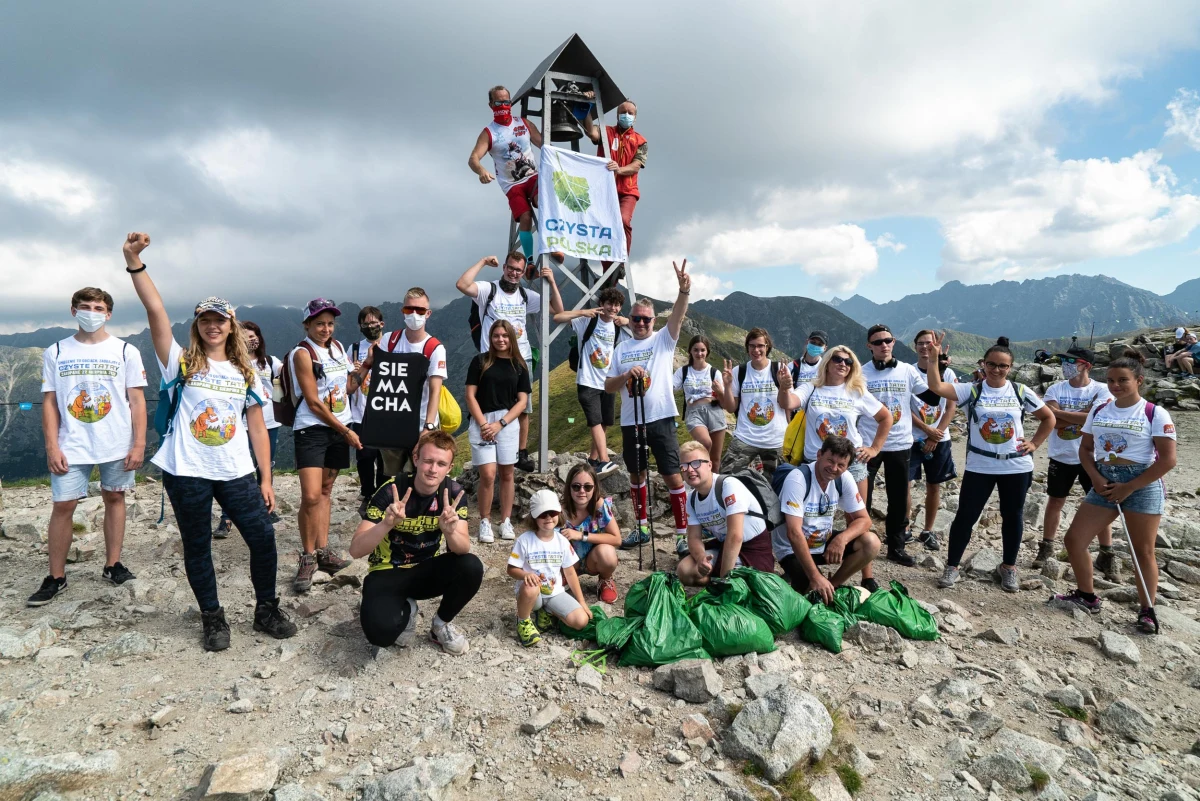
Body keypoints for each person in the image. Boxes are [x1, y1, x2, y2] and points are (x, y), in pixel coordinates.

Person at [121, 232, 295, 650]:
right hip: (185, 471)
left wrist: (266, 479)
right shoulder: (179, 361)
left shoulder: (246, 371)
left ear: (230, 326)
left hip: (236, 470)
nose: (213, 325)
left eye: (220, 320)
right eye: (205, 320)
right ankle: (213, 618)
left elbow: (257, 426)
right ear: (197, 326)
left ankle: (266, 608)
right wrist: (133, 261)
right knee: (197, 545)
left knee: (262, 537)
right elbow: (156, 310)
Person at [28, 286, 147, 606]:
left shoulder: (126, 352)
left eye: (98, 307)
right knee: (63, 505)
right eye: (85, 306)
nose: (91, 313)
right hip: (72, 443)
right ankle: (56, 576)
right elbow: (50, 402)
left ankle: (113, 564)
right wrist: (52, 446)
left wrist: (139, 444)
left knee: (115, 497)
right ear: (73, 310)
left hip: (116, 442)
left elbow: (137, 401)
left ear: (108, 314)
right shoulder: (55, 351)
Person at [1053, 350, 1177, 633]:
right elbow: (1086, 449)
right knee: (1075, 540)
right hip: (1105, 480)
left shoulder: (1155, 413)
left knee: (1143, 551)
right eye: (1110, 380)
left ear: (1139, 381)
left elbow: (1168, 459)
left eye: (1123, 380)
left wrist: (1130, 487)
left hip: (1142, 483)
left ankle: (1147, 610)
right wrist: (1095, 478)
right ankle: (1087, 595)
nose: (1115, 385)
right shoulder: (1099, 410)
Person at [924, 334, 1055, 592]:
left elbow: (1048, 418)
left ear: (1010, 368)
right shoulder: (972, 390)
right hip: (980, 466)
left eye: (1002, 366)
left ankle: (1009, 568)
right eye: (992, 364)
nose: (996, 370)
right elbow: (937, 388)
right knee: (965, 516)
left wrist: (1034, 444)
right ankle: (952, 567)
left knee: (1013, 517)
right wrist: (933, 360)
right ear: (983, 364)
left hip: (1016, 466)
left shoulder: (1020, 391)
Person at [351, 430, 479, 654]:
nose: (433, 469)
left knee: (471, 566)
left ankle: (440, 625)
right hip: (387, 571)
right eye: (428, 461)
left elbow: (463, 549)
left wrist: (449, 532)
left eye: (441, 464)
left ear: (449, 468)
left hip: (424, 571)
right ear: (416, 459)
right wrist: (386, 524)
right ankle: (407, 609)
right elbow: (355, 550)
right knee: (380, 635)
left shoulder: (454, 494)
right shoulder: (391, 491)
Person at [776, 345, 893, 589]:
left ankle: (864, 576)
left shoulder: (856, 392)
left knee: (857, 517)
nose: (843, 364)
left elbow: (886, 417)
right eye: (838, 359)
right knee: (807, 516)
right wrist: (786, 386)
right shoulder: (812, 387)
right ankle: (802, 565)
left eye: (848, 362)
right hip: (814, 461)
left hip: (851, 464)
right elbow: (789, 402)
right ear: (827, 362)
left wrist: (874, 449)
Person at [604, 261, 692, 551]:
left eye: (647, 319)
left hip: (661, 417)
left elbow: (678, 318)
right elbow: (607, 386)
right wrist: (626, 375)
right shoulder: (621, 349)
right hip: (631, 420)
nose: (641, 323)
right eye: (636, 319)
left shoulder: (663, 340)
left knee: (671, 473)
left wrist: (683, 291)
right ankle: (641, 528)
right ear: (629, 320)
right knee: (636, 473)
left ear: (654, 321)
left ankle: (682, 533)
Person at [456, 253, 564, 472]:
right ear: (504, 267)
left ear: (523, 273)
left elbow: (557, 310)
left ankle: (520, 452)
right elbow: (462, 284)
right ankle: (488, 451)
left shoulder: (526, 295)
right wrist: (483, 262)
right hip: (490, 360)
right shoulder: (489, 290)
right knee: (488, 406)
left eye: (519, 271)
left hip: (520, 359)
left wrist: (552, 281)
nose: (514, 274)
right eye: (511, 268)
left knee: (522, 407)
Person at [857, 324, 944, 568]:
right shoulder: (861, 373)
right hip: (869, 444)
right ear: (869, 346)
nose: (883, 345)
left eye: (887, 340)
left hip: (899, 443)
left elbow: (933, 398)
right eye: (877, 342)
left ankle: (896, 547)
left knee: (898, 498)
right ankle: (861, 544)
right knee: (863, 497)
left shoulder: (907, 370)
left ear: (894, 342)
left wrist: (935, 362)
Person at [290, 299, 358, 593]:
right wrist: (346, 431)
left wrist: (364, 368)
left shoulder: (338, 348)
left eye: (330, 323)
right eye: (319, 323)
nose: (325, 329)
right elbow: (314, 403)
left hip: (339, 426)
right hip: (313, 429)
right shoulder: (302, 354)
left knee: (327, 491)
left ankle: (323, 550)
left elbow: (345, 388)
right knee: (311, 494)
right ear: (307, 325)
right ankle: (307, 556)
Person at [1033, 345, 1117, 576]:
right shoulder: (1055, 388)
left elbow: (1096, 419)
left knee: (1102, 504)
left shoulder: (1102, 389)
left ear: (1086, 365)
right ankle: (1047, 547)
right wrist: (1084, 416)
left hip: (1094, 457)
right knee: (1055, 501)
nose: (1065, 366)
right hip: (1062, 456)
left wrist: (1060, 414)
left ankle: (1106, 554)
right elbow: (1052, 421)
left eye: (1071, 362)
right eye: (1064, 361)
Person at [348, 289, 448, 478]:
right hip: (393, 425)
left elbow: (436, 390)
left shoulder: (434, 348)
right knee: (392, 479)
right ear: (403, 311)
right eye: (410, 309)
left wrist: (428, 428)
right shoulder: (389, 341)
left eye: (420, 310)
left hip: (420, 426)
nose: (414, 314)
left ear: (428, 313)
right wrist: (368, 363)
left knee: (421, 478)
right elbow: (375, 378)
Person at [773, 436, 879, 600]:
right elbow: (793, 533)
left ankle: (832, 585)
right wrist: (815, 577)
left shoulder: (844, 478)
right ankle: (812, 582)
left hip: (823, 542)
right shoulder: (798, 479)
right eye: (830, 461)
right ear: (819, 455)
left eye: (841, 465)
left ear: (847, 467)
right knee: (813, 596)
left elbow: (864, 520)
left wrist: (842, 539)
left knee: (871, 542)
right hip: (792, 549)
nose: (834, 468)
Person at [467, 86, 562, 267]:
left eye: (506, 102)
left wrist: (562, 160)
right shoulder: (489, 132)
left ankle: (554, 244)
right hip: (511, 185)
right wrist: (481, 171)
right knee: (525, 217)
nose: (503, 105)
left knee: (543, 200)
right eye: (498, 102)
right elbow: (473, 158)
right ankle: (530, 262)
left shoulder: (523, 124)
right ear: (491, 105)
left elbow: (544, 145)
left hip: (532, 176)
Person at [466, 320, 531, 543]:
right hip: (482, 420)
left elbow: (522, 401)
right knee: (487, 474)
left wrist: (500, 424)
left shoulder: (519, 366)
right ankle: (484, 520)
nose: (500, 339)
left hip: (507, 422)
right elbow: (470, 395)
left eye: (504, 335)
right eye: (496, 335)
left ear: (511, 338)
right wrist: (485, 424)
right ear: (490, 337)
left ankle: (505, 520)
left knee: (507, 473)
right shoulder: (480, 361)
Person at [216, 321, 283, 536]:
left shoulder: (271, 362)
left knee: (265, 466)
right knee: (235, 470)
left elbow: (290, 375)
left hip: (269, 421)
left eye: (254, 335)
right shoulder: (231, 364)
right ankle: (227, 517)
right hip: (239, 425)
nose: (251, 340)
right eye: (246, 337)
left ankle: (265, 508)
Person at [676, 442, 776, 587]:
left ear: (709, 465)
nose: (690, 470)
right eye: (684, 466)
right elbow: (694, 537)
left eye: (696, 463)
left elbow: (736, 536)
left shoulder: (728, 485)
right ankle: (717, 580)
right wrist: (701, 558)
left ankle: (722, 580)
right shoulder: (691, 499)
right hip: (724, 545)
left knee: (743, 584)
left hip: (753, 547)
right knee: (684, 571)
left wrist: (724, 578)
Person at [553, 286, 628, 477]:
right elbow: (558, 317)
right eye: (610, 303)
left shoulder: (618, 326)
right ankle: (605, 460)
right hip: (587, 380)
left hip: (608, 381)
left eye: (617, 305)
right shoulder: (587, 321)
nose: (613, 308)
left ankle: (593, 459)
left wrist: (627, 320)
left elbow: (642, 330)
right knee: (595, 421)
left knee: (605, 422)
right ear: (601, 304)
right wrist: (583, 312)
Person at [508, 488, 592, 647]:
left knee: (581, 621)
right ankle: (523, 620)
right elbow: (511, 569)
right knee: (531, 588)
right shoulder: (524, 540)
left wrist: (582, 601)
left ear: (559, 513)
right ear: (533, 516)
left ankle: (546, 612)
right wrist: (525, 575)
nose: (548, 518)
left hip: (554, 592)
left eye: (552, 513)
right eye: (542, 514)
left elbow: (570, 572)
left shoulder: (562, 541)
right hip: (532, 592)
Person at [583, 99, 646, 277]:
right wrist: (587, 107)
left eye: (630, 113)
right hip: (605, 190)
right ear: (617, 115)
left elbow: (636, 165)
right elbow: (592, 133)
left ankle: (621, 262)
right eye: (623, 112)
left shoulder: (640, 140)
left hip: (627, 191)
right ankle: (608, 273)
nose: (626, 115)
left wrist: (619, 169)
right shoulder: (606, 131)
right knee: (605, 228)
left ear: (635, 117)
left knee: (623, 221)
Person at [908, 331, 958, 550]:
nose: (925, 347)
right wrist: (926, 429)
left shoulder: (947, 373)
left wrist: (936, 434)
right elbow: (901, 406)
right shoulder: (908, 371)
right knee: (905, 485)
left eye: (929, 343)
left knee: (934, 486)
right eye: (921, 343)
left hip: (940, 437)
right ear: (915, 346)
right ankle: (905, 529)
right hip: (911, 436)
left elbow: (950, 407)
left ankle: (928, 530)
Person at [719, 327, 786, 478]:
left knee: (778, 483)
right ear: (747, 347)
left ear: (767, 347)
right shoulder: (739, 371)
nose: (756, 350)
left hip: (775, 440)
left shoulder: (779, 370)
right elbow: (730, 408)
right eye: (752, 346)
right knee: (727, 476)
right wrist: (728, 386)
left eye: (760, 346)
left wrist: (783, 386)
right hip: (745, 437)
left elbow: (785, 404)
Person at [558, 462, 622, 604]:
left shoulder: (599, 505)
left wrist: (581, 535)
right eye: (576, 486)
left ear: (595, 488)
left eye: (587, 487)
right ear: (569, 488)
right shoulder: (558, 510)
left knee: (608, 554)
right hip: (567, 563)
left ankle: (605, 579)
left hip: (593, 560)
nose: (582, 491)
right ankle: (563, 576)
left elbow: (617, 539)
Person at [347, 306, 386, 504]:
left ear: (382, 323)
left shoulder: (391, 345)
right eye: (366, 323)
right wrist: (357, 370)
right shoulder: (354, 349)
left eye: (373, 322)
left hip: (386, 412)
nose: (370, 326)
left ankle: (381, 492)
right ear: (360, 326)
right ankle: (367, 491)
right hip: (360, 411)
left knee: (384, 455)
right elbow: (349, 381)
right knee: (364, 455)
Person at [673, 335, 726, 471]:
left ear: (707, 352)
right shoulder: (683, 371)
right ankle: (697, 472)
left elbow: (722, 397)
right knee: (706, 442)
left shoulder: (714, 372)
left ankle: (713, 486)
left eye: (702, 350)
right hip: (693, 412)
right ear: (690, 351)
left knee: (715, 458)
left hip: (714, 412)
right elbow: (670, 388)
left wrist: (720, 392)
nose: (699, 353)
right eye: (696, 350)